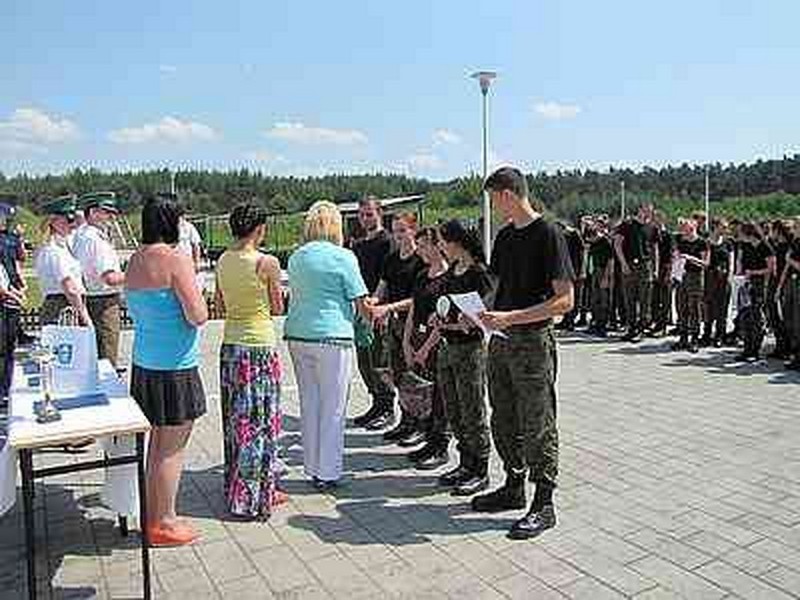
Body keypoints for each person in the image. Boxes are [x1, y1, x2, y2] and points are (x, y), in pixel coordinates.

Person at [475, 166, 574, 541]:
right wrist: (478, 311)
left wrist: (510, 318)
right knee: (503, 417)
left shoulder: (548, 233)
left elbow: (564, 301)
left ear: (507, 194)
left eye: (494, 199)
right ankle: (513, 485)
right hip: (500, 343)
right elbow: (497, 287)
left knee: (538, 422)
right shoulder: (505, 237)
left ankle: (544, 502)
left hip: (532, 342)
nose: (494, 208)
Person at [126, 195, 208, 547]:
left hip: (145, 363)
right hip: (175, 366)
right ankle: (164, 520)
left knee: (156, 446)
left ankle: (150, 514)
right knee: (172, 448)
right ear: (172, 221)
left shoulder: (133, 260)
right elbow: (198, 314)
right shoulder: (176, 259)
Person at [284, 201, 372, 489]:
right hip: (333, 337)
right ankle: (329, 472)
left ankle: (312, 467)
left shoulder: (296, 257)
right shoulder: (344, 257)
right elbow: (360, 301)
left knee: (310, 403)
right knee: (333, 406)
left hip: (298, 334)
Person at [215, 203, 286, 519]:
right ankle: (256, 494)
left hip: (231, 347)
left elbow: (219, 305)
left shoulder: (222, 260)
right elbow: (277, 307)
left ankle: (237, 486)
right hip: (258, 347)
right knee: (259, 422)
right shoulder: (266, 262)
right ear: (259, 229)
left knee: (235, 421)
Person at [435, 220, 494, 497]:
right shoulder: (452, 272)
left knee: (472, 408)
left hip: (469, 348)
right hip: (447, 345)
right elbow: (444, 303)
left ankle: (480, 468)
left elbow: (487, 311)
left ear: (457, 242)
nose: (441, 246)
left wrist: (470, 319)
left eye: (443, 241)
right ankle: (465, 461)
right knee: (454, 408)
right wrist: (439, 316)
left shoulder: (478, 273)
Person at [369, 213, 426, 444]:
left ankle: (421, 424)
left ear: (414, 230)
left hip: (414, 324)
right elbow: (381, 288)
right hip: (393, 323)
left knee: (416, 376)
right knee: (399, 373)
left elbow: (417, 298)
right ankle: (406, 421)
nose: (399, 235)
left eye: (403, 230)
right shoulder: (391, 259)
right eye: (395, 231)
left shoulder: (421, 261)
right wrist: (371, 302)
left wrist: (388, 307)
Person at [402, 227, 451, 469]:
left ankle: (441, 445)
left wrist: (426, 347)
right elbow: (414, 309)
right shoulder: (422, 275)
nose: (419, 250)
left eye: (423, 245)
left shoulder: (447, 277)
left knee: (440, 395)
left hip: (436, 342)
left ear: (436, 246)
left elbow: (443, 317)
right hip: (419, 338)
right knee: (425, 393)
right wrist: (407, 339)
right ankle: (429, 440)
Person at [350, 197, 395, 430]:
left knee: (380, 360)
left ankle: (387, 407)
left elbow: (386, 278)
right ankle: (376, 403)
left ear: (379, 214)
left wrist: (379, 307)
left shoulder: (387, 242)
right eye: (362, 214)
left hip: (378, 310)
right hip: (359, 312)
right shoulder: (356, 246)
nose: (365, 218)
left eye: (369, 214)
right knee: (364, 361)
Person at [72, 192, 125, 366]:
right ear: (93, 212)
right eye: (106, 211)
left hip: (89, 299)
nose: (111, 216)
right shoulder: (96, 240)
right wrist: (137, 275)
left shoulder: (80, 235)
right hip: (104, 303)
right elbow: (109, 278)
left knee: (93, 358)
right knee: (107, 359)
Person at [34, 196, 91, 326]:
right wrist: (85, 317)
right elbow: (69, 288)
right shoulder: (54, 250)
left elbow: (82, 226)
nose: (73, 224)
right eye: (69, 220)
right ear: (54, 222)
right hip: (64, 307)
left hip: (64, 305)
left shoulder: (60, 247)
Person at [614, 205, 659, 342]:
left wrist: (655, 268)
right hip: (629, 265)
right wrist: (623, 263)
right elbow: (617, 244)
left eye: (650, 211)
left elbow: (654, 249)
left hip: (645, 266)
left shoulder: (652, 228)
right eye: (645, 210)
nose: (647, 213)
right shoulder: (627, 225)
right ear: (639, 210)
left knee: (645, 299)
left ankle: (641, 328)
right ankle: (632, 328)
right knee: (629, 298)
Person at [737, 222, 775, 362]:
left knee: (756, 317)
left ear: (749, 233)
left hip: (759, 284)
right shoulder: (745, 246)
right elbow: (741, 263)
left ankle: (755, 350)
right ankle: (747, 349)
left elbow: (770, 269)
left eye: (741, 232)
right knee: (745, 315)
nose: (739, 235)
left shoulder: (765, 247)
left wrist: (753, 272)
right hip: (746, 283)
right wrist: (740, 272)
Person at [672, 218, 710, 353]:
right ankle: (683, 338)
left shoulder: (702, 242)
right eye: (684, 229)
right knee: (681, 307)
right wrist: (676, 257)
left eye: (688, 229)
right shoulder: (681, 241)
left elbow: (706, 263)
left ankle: (694, 338)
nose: (685, 232)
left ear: (694, 228)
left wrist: (690, 258)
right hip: (682, 276)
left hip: (695, 277)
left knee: (694, 308)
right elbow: (676, 256)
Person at [701, 219, 733, 347]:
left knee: (722, 308)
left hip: (724, 279)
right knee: (709, 307)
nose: (726, 230)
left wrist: (729, 276)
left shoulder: (728, 243)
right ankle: (707, 334)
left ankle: (720, 335)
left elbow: (731, 261)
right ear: (716, 227)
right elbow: (705, 262)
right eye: (723, 227)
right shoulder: (707, 243)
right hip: (710, 278)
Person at [767, 220, 792, 359]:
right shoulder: (777, 245)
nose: (771, 233)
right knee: (774, 316)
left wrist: (778, 288)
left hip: (781, 283)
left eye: (772, 230)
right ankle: (780, 346)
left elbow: (784, 269)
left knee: (780, 316)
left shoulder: (786, 247)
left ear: (778, 231)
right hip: (775, 282)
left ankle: (785, 348)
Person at [779, 219, 800, 370]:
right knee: (790, 318)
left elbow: (791, 262)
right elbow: (787, 265)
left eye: (797, 226)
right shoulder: (795, 242)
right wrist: (780, 285)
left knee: (798, 320)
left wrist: (790, 260)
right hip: (791, 283)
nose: (795, 229)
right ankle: (794, 352)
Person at [586, 222, 614, 337]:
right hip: (595, 271)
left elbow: (610, 260)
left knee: (604, 300)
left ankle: (603, 326)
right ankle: (596, 323)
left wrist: (606, 277)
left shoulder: (605, 242)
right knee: (594, 298)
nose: (591, 242)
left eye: (592, 239)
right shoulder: (593, 243)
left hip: (604, 271)